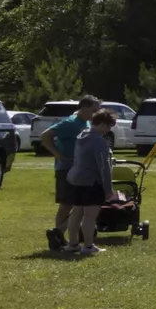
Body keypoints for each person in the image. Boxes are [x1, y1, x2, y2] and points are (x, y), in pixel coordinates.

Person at [39, 94, 101, 251]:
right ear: (85, 108)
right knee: (66, 205)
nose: (96, 113)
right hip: (66, 169)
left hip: (79, 170)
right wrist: (59, 155)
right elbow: (46, 136)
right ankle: (58, 236)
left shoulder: (86, 122)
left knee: (78, 204)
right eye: (94, 110)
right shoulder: (70, 122)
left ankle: (61, 234)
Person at [62, 109, 118, 255]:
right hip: (91, 182)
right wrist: (108, 189)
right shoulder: (99, 141)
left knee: (76, 213)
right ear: (103, 124)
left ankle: (73, 243)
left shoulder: (82, 135)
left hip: (75, 179)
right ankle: (88, 246)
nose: (109, 130)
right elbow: (103, 167)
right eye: (109, 126)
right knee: (89, 216)